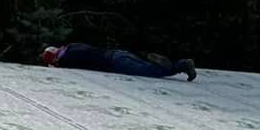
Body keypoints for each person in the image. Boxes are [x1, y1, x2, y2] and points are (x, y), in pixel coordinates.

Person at [42, 44, 197, 82]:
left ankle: (182, 65)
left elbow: (66, 68)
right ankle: (167, 64)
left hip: (116, 64)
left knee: (152, 72)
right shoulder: (71, 46)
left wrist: (57, 66)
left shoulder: (68, 58)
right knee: (147, 67)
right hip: (118, 54)